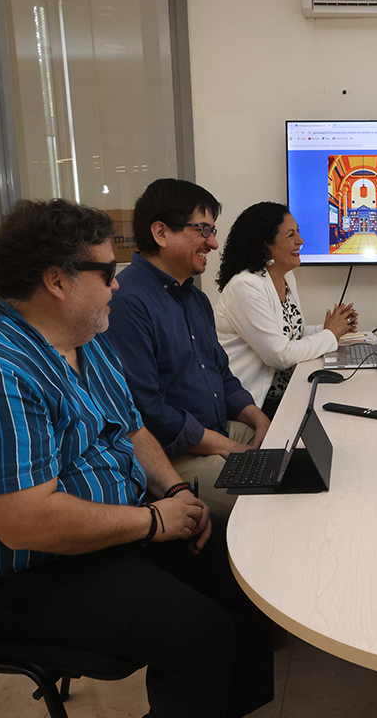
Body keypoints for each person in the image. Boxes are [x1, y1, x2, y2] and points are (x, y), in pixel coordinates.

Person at [0, 199, 273, 718]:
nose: (118, 285)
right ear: (57, 281)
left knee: (246, 575)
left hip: (105, 538)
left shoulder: (83, 337)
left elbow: (130, 427)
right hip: (22, 579)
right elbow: (27, 523)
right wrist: (154, 521)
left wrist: (173, 492)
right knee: (199, 633)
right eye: (107, 272)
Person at [107, 178, 269, 518]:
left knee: (285, 443)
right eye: (203, 230)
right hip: (172, 456)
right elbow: (146, 410)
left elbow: (222, 375)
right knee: (269, 500)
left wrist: (259, 419)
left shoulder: (196, 299)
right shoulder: (127, 302)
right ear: (161, 233)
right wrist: (229, 447)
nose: (213, 243)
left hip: (214, 431)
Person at [214, 202, 358, 418]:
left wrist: (334, 328)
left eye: (298, 232)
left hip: (288, 392)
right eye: (291, 235)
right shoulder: (245, 286)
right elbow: (279, 355)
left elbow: (291, 335)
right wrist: (330, 335)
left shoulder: (285, 278)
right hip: (256, 405)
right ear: (266, 246)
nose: (300, 240)